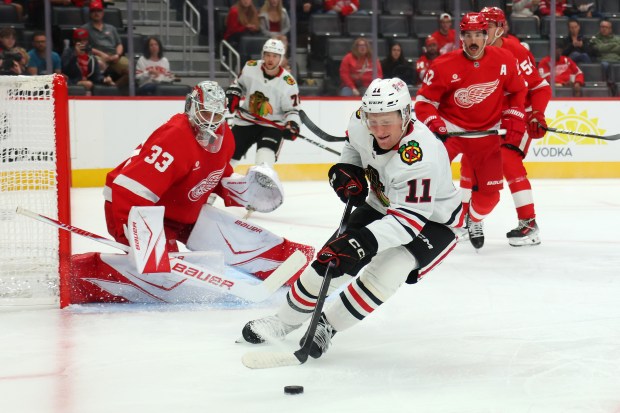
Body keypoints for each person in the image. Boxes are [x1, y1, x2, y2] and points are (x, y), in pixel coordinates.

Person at [240, 77, 465, 359]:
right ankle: (283, 321)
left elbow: (408, 222)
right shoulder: (361, 121)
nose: (379, 130)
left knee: (387, 271)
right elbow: (354, 146)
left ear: (405, 115)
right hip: (382, 203)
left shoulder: (421, 157)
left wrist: (362, 243)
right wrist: (348, 169)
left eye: (387, 121)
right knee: (329, 261)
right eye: (374, 120)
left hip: (433, 222)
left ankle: (327, 326)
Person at [70, 81, 313, 304]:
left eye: (217, 114)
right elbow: (131, 188)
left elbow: (214, 173)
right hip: (136, 209)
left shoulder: (225, 136)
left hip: (181, 206)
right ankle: (80, 275)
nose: (211, 121)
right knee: (165, 279)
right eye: (205, 112)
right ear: (191, 107)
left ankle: (299, 267)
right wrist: (145, 241)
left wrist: (242, 189)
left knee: (234, 235)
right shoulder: (174, 137)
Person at [414, 12, 528, 250]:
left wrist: (515, 115)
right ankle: (412, 223)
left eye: (478, 34)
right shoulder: (443, 65)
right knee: (424, 179)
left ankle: (473, 219)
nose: (473, 40)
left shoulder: (504, 59)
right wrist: (435, 123)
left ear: (487, 36)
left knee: (490, 197)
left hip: (487, 134)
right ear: (461, 38)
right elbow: (424, 102)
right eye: (468, 35)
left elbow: (517, 91)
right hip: (451, 131)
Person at [460, 7, 551, 247]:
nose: (478, 33)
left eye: (485, 28)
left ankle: (529, 224)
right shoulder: (472, 54)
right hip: (492, 120)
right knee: (469, 162)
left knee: (508, 160)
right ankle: (462, 221)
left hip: (520, 116)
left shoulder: (516, 52)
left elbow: (540, 88)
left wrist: (537, 115)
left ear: (499, 29)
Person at [226, 38, 301, 168]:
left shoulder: (288, 82)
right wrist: (234, 94)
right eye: (267, 55)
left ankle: (261, 185)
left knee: (264, 162)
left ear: (281, 58)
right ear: (263, 55)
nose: (270, 59)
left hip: (272, 126)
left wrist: (292, 124)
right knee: (227, 159)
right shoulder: (250, 67)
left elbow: (292, 111)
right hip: (246, 120)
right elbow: (238, 84)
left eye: (275, 56)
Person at [82, 0, 129, 90]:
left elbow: (119, 44)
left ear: (102, 13)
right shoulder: (85, 28)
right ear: (90, 13)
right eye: (93, 11)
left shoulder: (111, 28)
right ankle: (108, 88)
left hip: (114, 56)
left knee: (129, 68)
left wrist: (117, 55)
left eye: (98, 11)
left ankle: (114, 87)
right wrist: (101, 54)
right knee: (98, 62)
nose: (96, 13)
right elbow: (83, 46)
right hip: (97, 56)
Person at [61, 28, 115, 94]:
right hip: (71, 82)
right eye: (78, 40)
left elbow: (96, 76)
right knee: (88, 84)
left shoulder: (91, 56)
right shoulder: (68, 53)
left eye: (84, 40)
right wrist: (75, 56)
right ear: (74, 41)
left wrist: (104, 79)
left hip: (87, 84)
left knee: (108, 85)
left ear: (87, 41)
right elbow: (65, 70)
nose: (81, 43)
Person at [590, 19, 620, 87]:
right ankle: (609, 85)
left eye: (606, 27)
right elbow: (600, 49)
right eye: (602, 27)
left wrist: (605, 47)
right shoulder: (595, 38)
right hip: (603, 61)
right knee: (605, 65)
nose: (604, 29)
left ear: (610, 29)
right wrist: (614, 45)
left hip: (617, 60)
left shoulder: (618, 39)